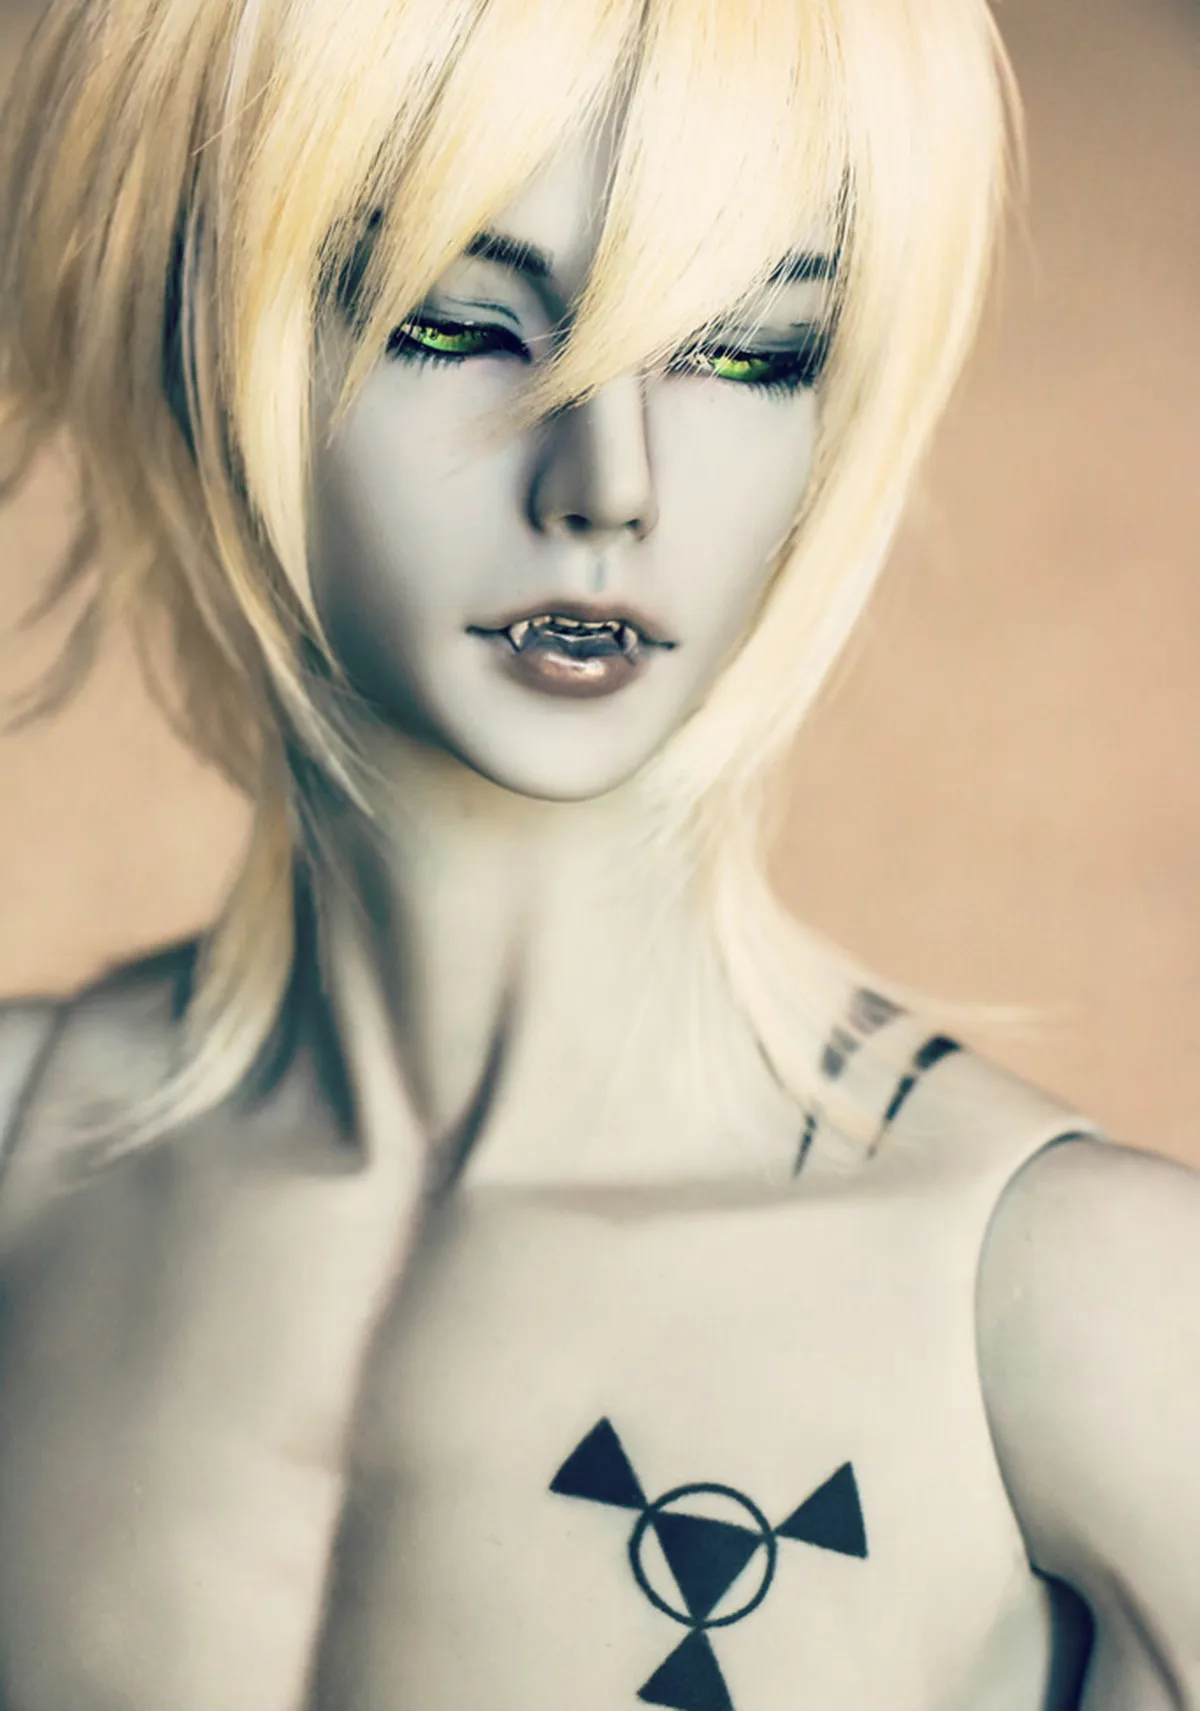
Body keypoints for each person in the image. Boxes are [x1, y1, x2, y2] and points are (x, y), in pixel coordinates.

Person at [0, 0, 1196, 1707]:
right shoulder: (23, 1163)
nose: (611, 483)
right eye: (457, 322)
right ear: (191, 318)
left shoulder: (1071, 1329)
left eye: (751, 352)